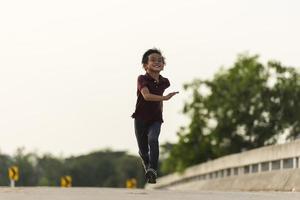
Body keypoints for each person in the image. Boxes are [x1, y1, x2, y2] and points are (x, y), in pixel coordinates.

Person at [131, 48, 178, 184]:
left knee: (153, 139)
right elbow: (146, 96)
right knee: (143, 150)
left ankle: (153, 170)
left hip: (155, 119)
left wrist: (161, 114)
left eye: (160, 60)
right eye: (153, 60)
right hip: (140, 118)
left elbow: (159, 100)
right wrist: (164, 98)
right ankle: (147, 164)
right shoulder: (142, 79)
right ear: (145, 65)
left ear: (163, 65)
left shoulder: (164, 82)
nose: (157, 62)